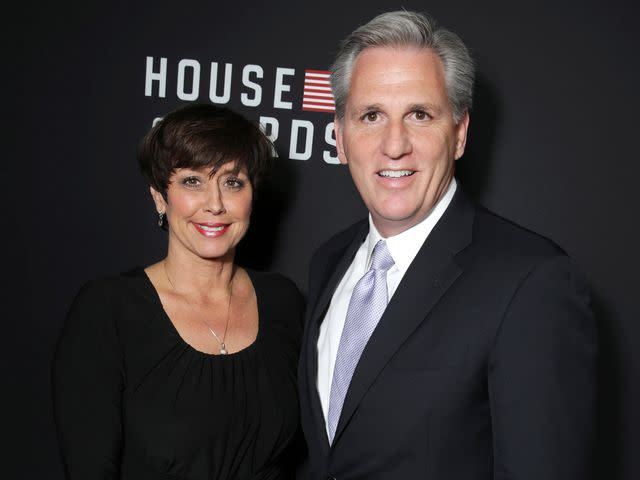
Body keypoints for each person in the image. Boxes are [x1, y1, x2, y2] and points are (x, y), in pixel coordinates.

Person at [297, 10, 597, 480]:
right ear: (339, 137)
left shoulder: (532, 282)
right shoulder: (328, 262)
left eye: (420, 115)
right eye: (371, 116)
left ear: (458, 134)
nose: (394, 145)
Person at [53, 103, 304, 479]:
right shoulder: (108, 311)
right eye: (192, 181)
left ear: (253, 195)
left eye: (232, 182)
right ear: (159, 197)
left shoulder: (284, 302)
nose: (215, 203)